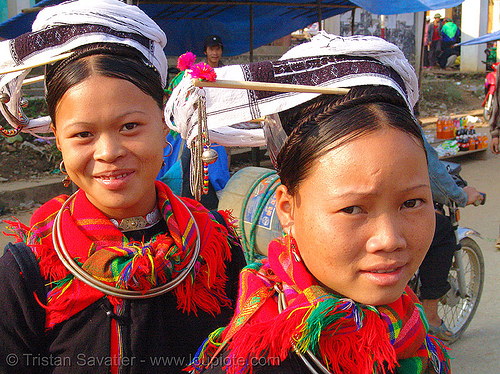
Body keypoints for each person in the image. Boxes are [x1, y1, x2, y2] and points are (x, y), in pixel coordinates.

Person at [167, 33, 451, 374]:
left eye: (412, 203)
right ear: (288, 209)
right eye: (353, 209)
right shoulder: (259, 358)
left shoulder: (409, 328)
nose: (389, 239)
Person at [0, 1, 245, 373]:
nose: (109, 152)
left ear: (165, 123)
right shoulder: (27, 272)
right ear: (59, 143)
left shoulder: (217, 247)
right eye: (82, 134)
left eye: (130, 126)